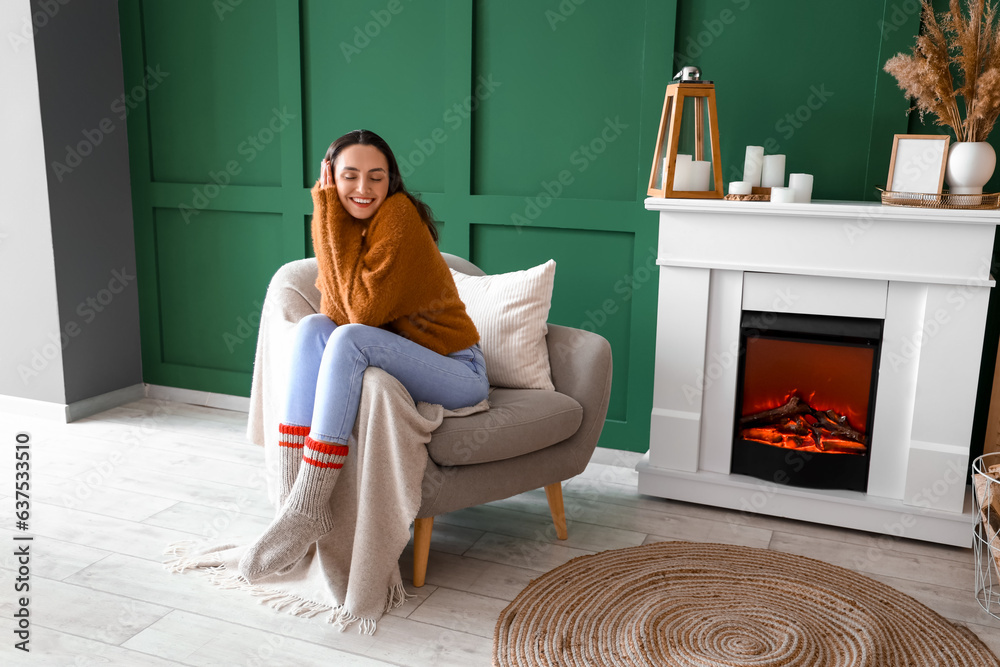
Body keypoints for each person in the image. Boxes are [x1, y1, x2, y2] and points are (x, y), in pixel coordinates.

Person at [238, 129, 488, 583]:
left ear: (390, 181)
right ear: (330, 177)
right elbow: (333, 311)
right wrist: (330, 215)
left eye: (376, 177)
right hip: (413, 358)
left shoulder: (399, 217)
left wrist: (326, 209)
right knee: (314, 326)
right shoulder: (351, 226)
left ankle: (309, 506)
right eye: (349, 176)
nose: (363, 189)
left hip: (459, 370)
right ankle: (292, 501)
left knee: (350, 338)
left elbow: (363, 317)